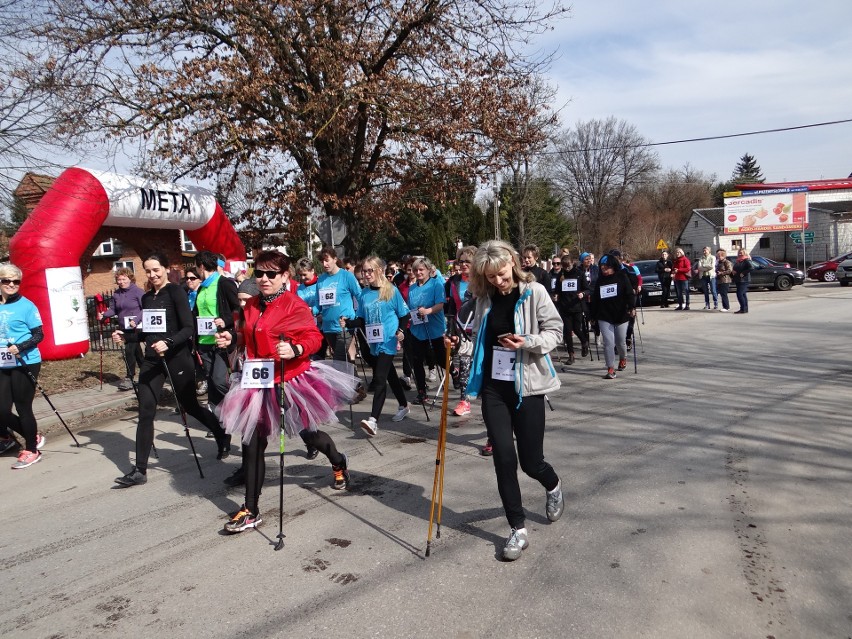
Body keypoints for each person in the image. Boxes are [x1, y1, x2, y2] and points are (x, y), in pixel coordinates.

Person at [216, 250, 358, 532]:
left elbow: (314, 338)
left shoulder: (294, 304)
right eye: (260, 273)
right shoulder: (252, 304)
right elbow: (246, 332)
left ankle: (338, 460)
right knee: (252, 442)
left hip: (290, 378)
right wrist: (231, 336)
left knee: (309, 434)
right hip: (258, 380)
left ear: (284, 276)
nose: (265, 279)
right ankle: (251, 509)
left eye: (271, 274)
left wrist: (295, 348)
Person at [460, 240, 564, 561]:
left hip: (528, 385)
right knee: (504, 457)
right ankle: (517, 529)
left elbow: (555, 331)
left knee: (531, 462)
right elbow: (478, 338)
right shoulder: (483, 299)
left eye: (502, 274)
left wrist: (527, 341)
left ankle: (554, 486)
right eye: (490, 277)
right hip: (494, 387)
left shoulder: (534, 293)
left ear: (513, 265)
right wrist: (459, 339)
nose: (498, 281)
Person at [111, 251, 231, 487]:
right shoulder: (147, 298)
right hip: (152, 360)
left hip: (177, 357)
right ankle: (140, 470)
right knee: (146, 411)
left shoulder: (176, 292)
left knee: (190, 406)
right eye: (148, 270)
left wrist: (169, 342)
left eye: (156, 269)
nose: (152, 274)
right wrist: (126, 336)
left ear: (166, 269)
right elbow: (147, 331)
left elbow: (188, 329)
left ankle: (220, 433)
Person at [342, 256, 411, 436]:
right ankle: (404, 405)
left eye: (369, 270)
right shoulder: (364, 294)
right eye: (364, 271)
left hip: (388, 340)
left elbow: (405, 315)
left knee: (379, 378)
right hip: (373, 341)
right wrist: (348, 323)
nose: (366, 274)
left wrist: (401, 330)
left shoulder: (391, 290)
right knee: (390, 376)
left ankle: (373, 420)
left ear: (380, 270)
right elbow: (361, 319)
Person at [0, 263, 47, 467]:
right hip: (2, 362)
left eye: (16, 281)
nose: (11, 284)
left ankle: (32, 450)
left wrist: (21, 346)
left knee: (23, 407)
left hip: (25, 361)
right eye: (6, 280)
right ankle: (29, 435)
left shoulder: (26, 305)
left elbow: (39, 334)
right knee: (1, 409)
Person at [192, 250, 241, 416]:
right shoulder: (201, 288)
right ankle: (219, 419)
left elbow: (238, 309)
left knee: (220, 380)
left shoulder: (224, 283)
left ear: (202, 266)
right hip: (204, 342)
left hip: (221, 340)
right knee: (211, 383)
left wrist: (225, 320)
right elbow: (196, 313)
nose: (196, 271)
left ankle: (240, 405)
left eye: (197, 267)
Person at [407, 256, 447, 405]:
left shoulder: (436, 284)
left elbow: (441, 304)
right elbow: (411, 306)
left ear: (428, 270)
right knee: (417, 361)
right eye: (415, 270)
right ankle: (422, 392)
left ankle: (454, 372)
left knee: (440, 359)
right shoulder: (412, 288)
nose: (418, 272)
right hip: (418, 330)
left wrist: (428, 310)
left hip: (435, 328)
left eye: (421, 269)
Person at [590, 252, 635, 379]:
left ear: (613, 266)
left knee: (620, 342)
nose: (604, 270)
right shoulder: (600, 280)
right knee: (608, 343)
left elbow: (629, 294)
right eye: (602, 268)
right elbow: (596, 299)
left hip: (621, 315)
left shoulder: (622, 276)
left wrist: (631, 307)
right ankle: (610, 368)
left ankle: (623, 358)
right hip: (604, 316)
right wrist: (592, 316)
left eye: (606, 267)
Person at [99, 267, 145, 391]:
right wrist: (104, 315)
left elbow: (145, 308)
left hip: (136, 326)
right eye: (119, 279)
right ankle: (148, 374)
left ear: (130, 278)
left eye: (124, 279)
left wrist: (136, 320)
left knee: (129, 350)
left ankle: (130, 377)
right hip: (124, 327)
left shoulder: (138, 292)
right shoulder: (116, 294)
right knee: (137, 353)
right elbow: (113, 309)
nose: (121, 282)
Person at [314, 247, 362, 362]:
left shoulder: (346, 276)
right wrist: (310, 311)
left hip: (344, 326)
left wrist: (357, 317)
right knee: (344, 361)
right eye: (322, 261)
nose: (325, 264)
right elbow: (318, 303)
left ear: (335, 259)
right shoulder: (321, 280)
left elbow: (360, 296)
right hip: (328, 327)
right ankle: (355, 379)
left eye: (327, 260)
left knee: (339, 359)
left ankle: (350, 379)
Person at [444, 245, 477, 416]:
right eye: (461, 261)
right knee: (463, 364)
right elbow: (450, 307)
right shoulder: (454, 282)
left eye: (468, 262)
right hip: (461, 328)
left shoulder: (482, 280)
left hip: (479, 328)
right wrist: (449, 329)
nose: (463, 264)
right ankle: (464, 400)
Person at [555, 254, 590, 367]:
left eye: (568, 266)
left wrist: (583, 294)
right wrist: (556, 296)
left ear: (572, 263)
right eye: (564, 266)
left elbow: (587, 289)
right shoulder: (561, 275)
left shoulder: (579, 274)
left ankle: (584, 342)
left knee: (576, 328)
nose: (567, 268)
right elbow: (557, 290)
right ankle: (571, 354)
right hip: (565, 307)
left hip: (577, 306)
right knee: (567, 331)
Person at [732, 248, 753, 314]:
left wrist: (743, 273)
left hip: (744, 280)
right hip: (738, 279)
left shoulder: (746, 260)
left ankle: (743, 308)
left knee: (739, 294)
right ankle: (745, 309)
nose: (740, 254)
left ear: (745, 253)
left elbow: (751, 268)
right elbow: (736, 268)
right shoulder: (738, 260)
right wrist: (733, 271)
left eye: (741, 252)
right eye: (739, 252)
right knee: (743, 294)